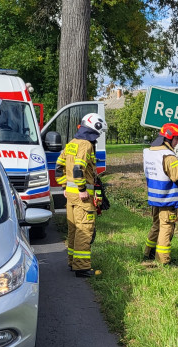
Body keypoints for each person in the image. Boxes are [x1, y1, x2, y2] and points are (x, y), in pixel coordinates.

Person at [56, 113, 107, 277]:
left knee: (73, 229)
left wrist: (64, 185)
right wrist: (82, 189)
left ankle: (73, 262)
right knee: (84, 229)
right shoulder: (85, 145)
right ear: (95, 128)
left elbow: (59, 167)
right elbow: (79, 169)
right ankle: (82, 267)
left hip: (70, 196)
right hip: (82, 197)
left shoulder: (72, 143)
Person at [142, 123, 178, 266]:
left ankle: (148, 252)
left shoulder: (150, 151)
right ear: (169, 138)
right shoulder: (168, 155)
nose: (177, 143)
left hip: (154, 197)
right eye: (177, 139)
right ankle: (163, 260)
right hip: (167, 198)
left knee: (156, 225)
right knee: (166, 227)